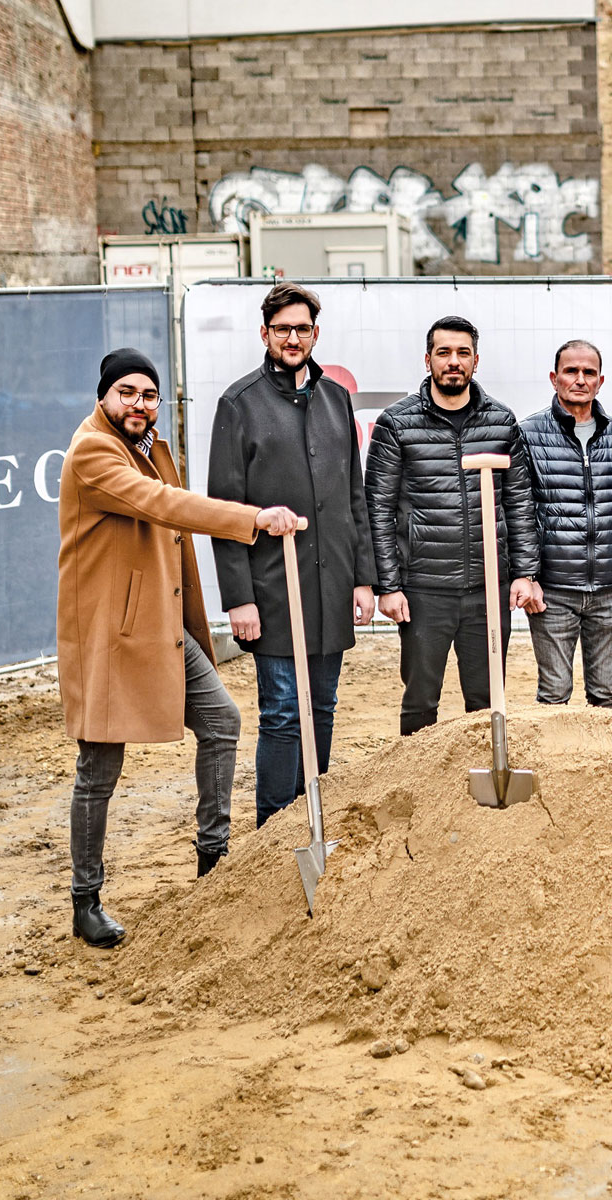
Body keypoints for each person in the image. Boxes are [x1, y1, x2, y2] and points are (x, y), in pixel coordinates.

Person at [56, 348, 299, 948]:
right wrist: (253, 518)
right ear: (104, 395)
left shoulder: (146, 444)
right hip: (111, 635)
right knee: (99, 767)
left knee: (222, 719)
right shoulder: (92, 451)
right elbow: (163, 504)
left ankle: (212, 857)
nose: (139, 404)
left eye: (148, 394)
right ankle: (86, 898)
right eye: (127, 393)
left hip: (161, 627)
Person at [206, 282, 377, 830]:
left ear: (315, 334)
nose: (293, 338)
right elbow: (224, 509)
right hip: (273, 591)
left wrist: (363, 580)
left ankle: (312, 815)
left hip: (330, 587)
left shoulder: (335, 398)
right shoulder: (239, 403)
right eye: (282, 329)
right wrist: (239, 599)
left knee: (321, 707)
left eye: (303, 328)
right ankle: (273, 830)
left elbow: (355, 495)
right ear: (265, 334)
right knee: (281, 712)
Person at [365, 316, 543, 736]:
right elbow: (378, 507)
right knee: (420, 698)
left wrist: (524, 573)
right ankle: (415, 788)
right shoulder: (396, 423)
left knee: (485, 702)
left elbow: (519, 503)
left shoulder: (501, 421)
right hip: (424, 588)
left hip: (488, 587)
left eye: (462, 353)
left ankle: (475, 793)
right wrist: (388, 585)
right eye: (443, 352)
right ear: (428, 359)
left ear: (475, 362)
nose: (453, 361)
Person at [518, 339, 612, 707]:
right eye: (570, 371)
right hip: (553, 591)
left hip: (610, 590)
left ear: (600, 381)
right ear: (554, 378)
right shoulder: (528, 434)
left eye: (588, 372)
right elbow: (520, 510)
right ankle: (553, 767)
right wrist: (528, 576)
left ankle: (602, 767)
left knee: (606, 697)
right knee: (554, 695)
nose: (580, 379)